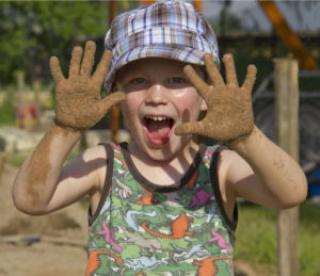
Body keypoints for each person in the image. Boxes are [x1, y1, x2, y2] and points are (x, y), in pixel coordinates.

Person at [12, 1, 307, 275]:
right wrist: (64, 129)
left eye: (177, 80)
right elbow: (30, 200)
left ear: (207, 95)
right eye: (138, 81)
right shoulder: (104, 165)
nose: (155, 96)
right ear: (116, 94)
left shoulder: (219, 167)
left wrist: (246, 137)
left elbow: (291, 193)